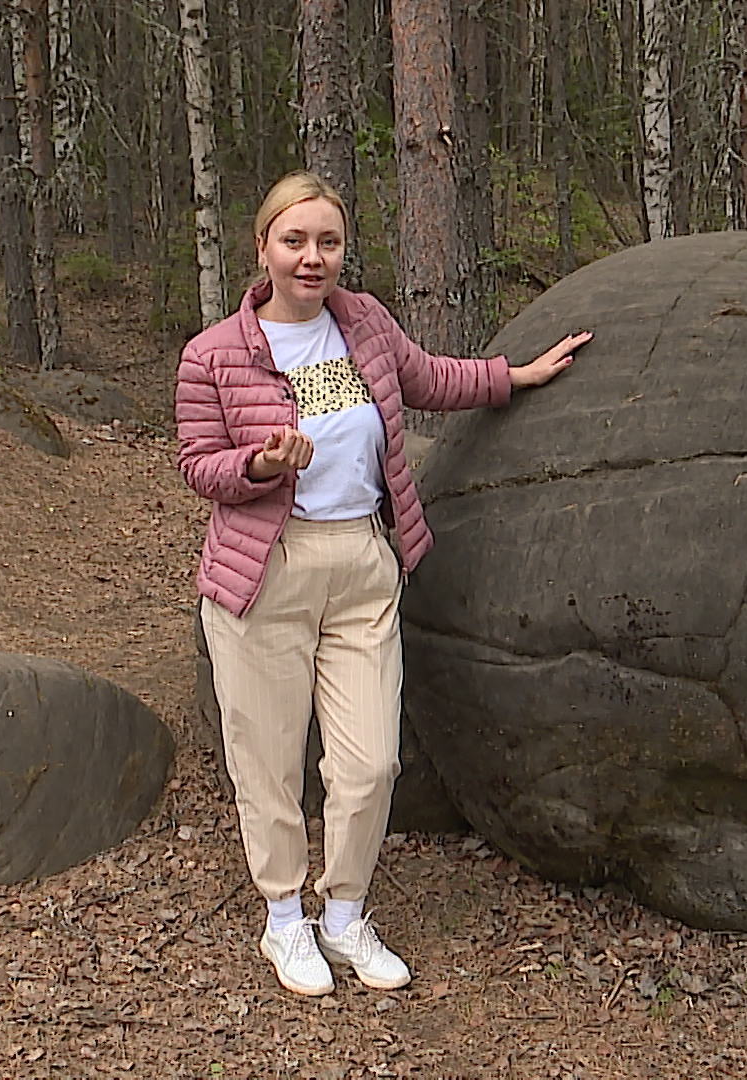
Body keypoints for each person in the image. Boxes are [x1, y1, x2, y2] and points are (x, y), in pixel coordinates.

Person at [175, 170, 590, 997]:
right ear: (262, 248)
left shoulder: (362, 322)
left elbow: (428, 379)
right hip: (264, 572)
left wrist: (514, 376)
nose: (312, 257)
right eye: (294, 240)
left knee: (369, 763)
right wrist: (259, 464)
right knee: (269, 762)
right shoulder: (214, 353)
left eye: (327, 242)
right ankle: (285, 919)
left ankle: (344, 913)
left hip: (364, 565)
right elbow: (198, 465)